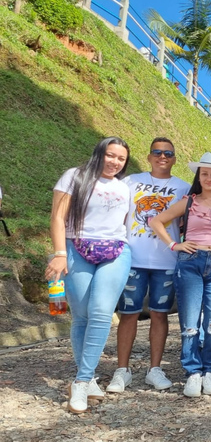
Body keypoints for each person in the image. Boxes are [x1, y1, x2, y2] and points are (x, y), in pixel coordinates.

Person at [47, 137, 132, 413]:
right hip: (76, 246)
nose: (115, 162)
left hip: (116, 251)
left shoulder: (124, 186)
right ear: (99, 153)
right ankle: (89, 375)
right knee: (81, 315)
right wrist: (60, 254)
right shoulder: (75, 176)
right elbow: (58, 218)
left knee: (101, 313)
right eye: (110, 155)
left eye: (120, 159)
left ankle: (82, 381)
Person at [149, 152, 211, 398]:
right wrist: (175, 245)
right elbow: (157, 221)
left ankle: (209, 371)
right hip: (190, 262)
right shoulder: (189, 201)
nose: (209, 178)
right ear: (199, 176)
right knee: (189, 324)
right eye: (205, 173)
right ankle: (192, 372)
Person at [108, 138, 190, 394]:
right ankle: (122, 370)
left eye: (168, 153)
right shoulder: (130, 182)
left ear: (174, 158)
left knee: (159, 313)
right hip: (132, 258)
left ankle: (154, 369)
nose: (162, 156)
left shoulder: (183, 187)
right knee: (128, 313)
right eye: (157, 152)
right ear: (149, 156)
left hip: (166, 260)